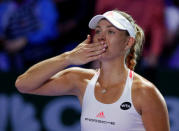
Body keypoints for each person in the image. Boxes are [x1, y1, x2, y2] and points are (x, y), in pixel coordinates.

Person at [15, 10, 170, 130]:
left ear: (128, 42)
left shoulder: (145, 92)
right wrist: (68, 58)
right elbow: (23, 84)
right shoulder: (81, 79)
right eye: (98, 30)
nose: (101, 37)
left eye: (110, 31)